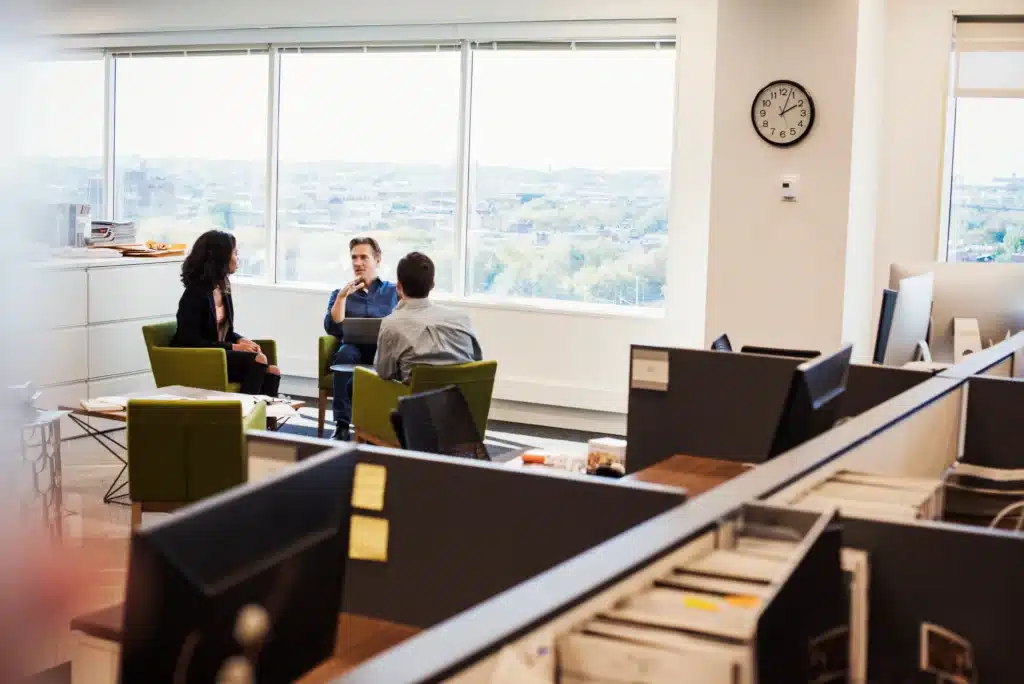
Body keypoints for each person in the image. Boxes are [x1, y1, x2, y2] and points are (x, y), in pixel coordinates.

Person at [171, 230, 281, 396]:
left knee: (273, 371)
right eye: (235, 253)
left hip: (220, 356)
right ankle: (244, 410)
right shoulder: (194, 295)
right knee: (259, 359)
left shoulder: (222, 288)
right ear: (221, 258)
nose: (238, 258)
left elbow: (224, 332)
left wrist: (240, 339)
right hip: (199, 359)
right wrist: (235, 346)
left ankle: (263, 412)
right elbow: (191, 341)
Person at [324, 237, 399, 440]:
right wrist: (342, 298)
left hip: (383, 349)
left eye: (364, 257)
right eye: (354, 258)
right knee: (344, 355)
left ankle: (387, 425)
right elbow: (331, 327)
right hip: (353, 348)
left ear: (377, 259)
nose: (357, 263)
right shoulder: (340, 293)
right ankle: (341, 425)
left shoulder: (393, 291)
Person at [375, 252, 483, 383]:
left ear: (398, 287)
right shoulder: (462, 319)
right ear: (432, 285)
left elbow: (384, 372)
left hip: (415, 396)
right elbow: (478, 362)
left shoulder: (391, 324)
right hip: (462, 395)